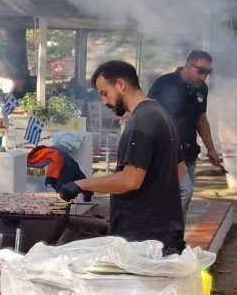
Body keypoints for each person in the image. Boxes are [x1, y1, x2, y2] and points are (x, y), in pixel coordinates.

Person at [56, 61, 185, 254]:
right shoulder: (161, 114)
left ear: (120, 84)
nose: (104, 102)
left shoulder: (141, 122)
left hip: (142, 237)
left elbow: (130, 180)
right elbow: (179, 172)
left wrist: (81, 185)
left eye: (104, 93)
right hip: (162, 231)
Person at [148, 51, 224, 218]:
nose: (204, 77)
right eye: (201, 71)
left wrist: (210, 148)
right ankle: (167, 232)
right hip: (167, 151)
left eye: (208, 72)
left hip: (189, 152)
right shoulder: (165, 83)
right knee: (185, 192)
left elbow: (201, 119)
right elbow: (148, 115)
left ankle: (175, 239)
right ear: (188, 65)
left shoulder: (202, 88)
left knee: (183, 199)